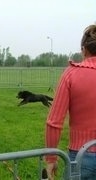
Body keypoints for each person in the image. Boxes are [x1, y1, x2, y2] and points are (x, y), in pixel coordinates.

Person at [45, 24, 96, 180]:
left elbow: (54, 122)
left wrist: (51, 159)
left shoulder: (71, 74)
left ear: (83, 49)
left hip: (81, 156)